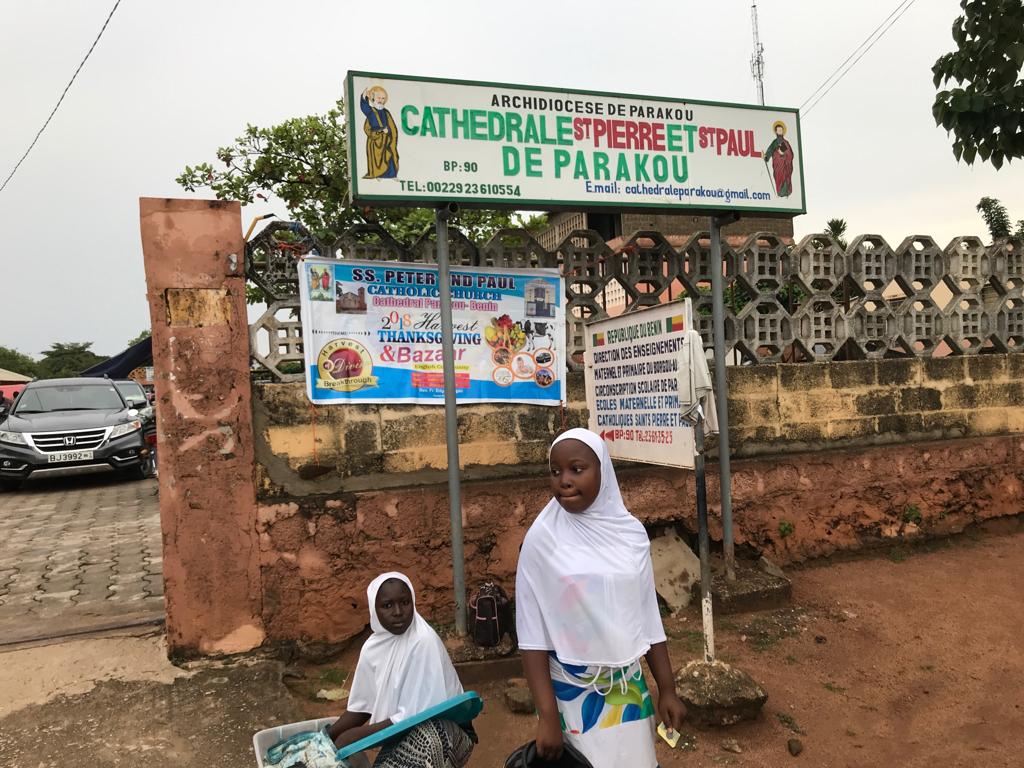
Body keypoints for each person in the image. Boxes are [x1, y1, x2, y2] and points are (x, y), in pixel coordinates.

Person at [515, 428, 686, 768]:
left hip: (627, 687)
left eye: (576, 469)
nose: (564, 480)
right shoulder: (542, 540)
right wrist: (547, 716)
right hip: (570, 691)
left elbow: (646, 615)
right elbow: (532, 633)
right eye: (555, 471)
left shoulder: (630, 535)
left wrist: (666, 687)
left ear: (603, 472)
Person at [327, 572, 475, 768]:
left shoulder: (423, 642)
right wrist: (325, 737)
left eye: (405, 603)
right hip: (403, 733)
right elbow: (362, 708)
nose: (398, 611)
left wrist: (352, 737)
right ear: (374, 609)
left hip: (447, 734)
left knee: (426, 739)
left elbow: (415, 718)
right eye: (387, 605)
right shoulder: (373, 648)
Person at [360, 86, 400, 179]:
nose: (381, 100)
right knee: (378, 159)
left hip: (387, 140)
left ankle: (391, 175)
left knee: (390, 156)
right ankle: (378, 174)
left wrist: (391, 135)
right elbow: (364, 107)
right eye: (379, 98)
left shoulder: (386, 112)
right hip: (376, 141)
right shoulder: (371, 112)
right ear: (373, 98)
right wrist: (364, 96)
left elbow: (392, 126)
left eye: (383, 98)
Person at [763, 120, 794, 198]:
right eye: (778, 130)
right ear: (776, 132)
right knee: (778, 177)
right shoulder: (774, 142)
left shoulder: (785, 142)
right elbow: (770, 150)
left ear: (783, 131)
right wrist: (766, 157)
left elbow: (790, 154)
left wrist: (783, 154)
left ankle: (786, 193)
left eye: (781, 130)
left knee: (785, 177)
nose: (780, 131)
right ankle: (779, 193)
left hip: (784, 164)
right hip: (777, 165)